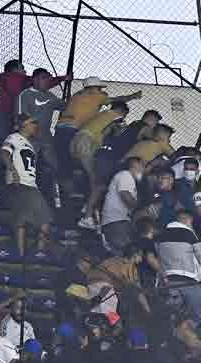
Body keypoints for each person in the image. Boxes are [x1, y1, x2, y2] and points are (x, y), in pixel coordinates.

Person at [55, 77, 142, 199]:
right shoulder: (99, 97)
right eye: (99, 87)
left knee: (66, 162)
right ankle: (90, 196)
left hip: (61, 128)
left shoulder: (77, 95)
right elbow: (117, 100)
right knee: (90, 171)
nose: (101, 90)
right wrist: (133, 96)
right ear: (93, 87)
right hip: (75, 130)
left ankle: (68, 192)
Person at [1, 113, 52, 258]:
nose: (35, 126)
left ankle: (38, 251)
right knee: (22, 219)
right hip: (20, 183)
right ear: (24, 125)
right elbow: (4, 153)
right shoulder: (13, 138)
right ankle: (22, 254)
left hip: (30, 184)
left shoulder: (29, 143)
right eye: (32, 123)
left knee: (45, 218)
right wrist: (13, 171)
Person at [74, 101, 131, 230]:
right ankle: (87, 215)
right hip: (93, 147)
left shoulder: (102, 118)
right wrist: (121, 128)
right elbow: (114, 130)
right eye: (124, 115)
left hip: (88, 146)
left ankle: (88, 207)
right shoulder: (113, 116)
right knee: (99, 184)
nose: (123, 119)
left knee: (95, 180)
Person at [16, 67, 69, 206]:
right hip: (30, 137)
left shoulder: (51, 97)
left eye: (48, 78)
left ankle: (57, 198)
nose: (48, 81)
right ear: (35, 79)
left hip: (46, 138)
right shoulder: (25, 95)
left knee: (54, 165)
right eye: (44, 78)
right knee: (27, 166)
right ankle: (24, 197)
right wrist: (30, 132)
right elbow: (21, 117)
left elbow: (66, 107)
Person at [157, 210, 201, 324]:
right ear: (187, 220)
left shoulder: (161, 235)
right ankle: (197, 336)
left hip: (168, 282)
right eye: (191, 223)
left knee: (173, 314)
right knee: (197, 314)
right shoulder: (189, 233)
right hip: (188, 280)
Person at [100, 157, 143, 253]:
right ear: (134, 166)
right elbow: (126, 196)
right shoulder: (126, 175)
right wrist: (139, 207)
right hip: (116, 222)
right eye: (141, 166)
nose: (142, 170)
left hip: (117, 222)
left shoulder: (128, 178)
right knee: (123, 255)